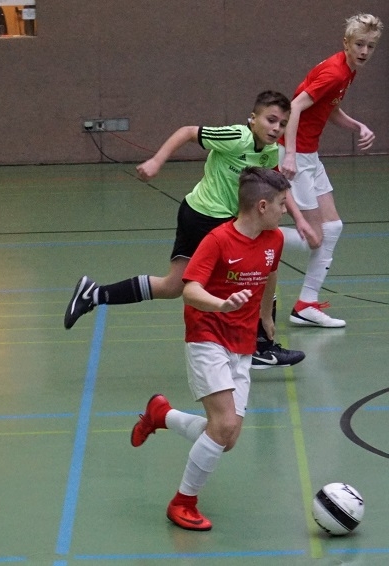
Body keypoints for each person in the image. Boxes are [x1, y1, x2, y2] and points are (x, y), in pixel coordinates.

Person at [64, 91, 311, 369]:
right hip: (207, 217)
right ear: (253, 119)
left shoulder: (269, 152)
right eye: (271, 120)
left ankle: (94, 294)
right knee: (258, 272)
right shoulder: (236, 137)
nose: (276, 128)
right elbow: (187, 132)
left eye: (283, 124)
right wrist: (156, 161)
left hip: (203, 214)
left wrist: (300, 219)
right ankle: (261, 347)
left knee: (173, 286)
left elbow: (275, 187)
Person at [129, 167, 290, 531]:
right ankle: (182, 503)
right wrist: (222, 305)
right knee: (224, 424)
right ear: (262, 206)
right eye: (282, 203)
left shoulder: (274, 238)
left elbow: (271, 273)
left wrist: (266, 314)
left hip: (242, 341)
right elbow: (189, 290)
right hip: (207, 334)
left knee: (226, 438)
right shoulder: (217, 241)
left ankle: (161, 415)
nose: (286, 210)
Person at [278, 13, 382, 329]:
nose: (364, 51)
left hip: (310, 155)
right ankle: (251, 235)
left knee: (332, 227)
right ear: (346, 43)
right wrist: (290, 155)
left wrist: (357, 126)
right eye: (359, 44)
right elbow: (295, 106)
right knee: (315, 237)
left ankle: (305, 305)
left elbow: (328, 108)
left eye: (370, 46)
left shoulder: (347, 70)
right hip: (297, 155)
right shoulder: (335, 73)